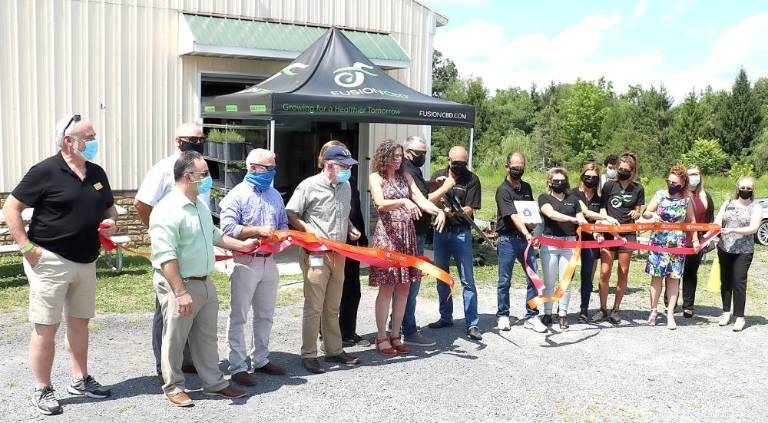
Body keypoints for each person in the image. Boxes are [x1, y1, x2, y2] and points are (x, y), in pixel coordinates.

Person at [3, 114, 117, 415]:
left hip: (86, 259)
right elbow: (11, 207)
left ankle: (80, 380)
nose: (94, 142)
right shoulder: (44, 171)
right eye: (89, 137)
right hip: (49, 260)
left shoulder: (96, 172)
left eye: (93, 137)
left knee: (79, 323)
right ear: (68, 141)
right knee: (46, 327)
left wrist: (111, 223)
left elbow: (109, 207)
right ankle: (42, 388)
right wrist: (26, 247)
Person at [149, 151, 254, 406]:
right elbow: (166, 256)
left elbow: (215, 234)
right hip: (181, 284)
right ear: (188, 176)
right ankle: (173, 386)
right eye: (204, 174)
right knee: (174, 338)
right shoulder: (167, 210)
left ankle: (214, 384)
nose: (209, 178)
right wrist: (180, 291)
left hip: (204, 282)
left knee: (206, 337)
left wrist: (242, 245)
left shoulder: (198, 205)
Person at [134, 123, 208, 378]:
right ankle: (163, 366)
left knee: (192, 309)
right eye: (192, 139)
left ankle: (186, 360)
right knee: (167, 309)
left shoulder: (200, 169)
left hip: (195, 252)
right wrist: (156, 229)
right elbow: (142, 203)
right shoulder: (164, 168)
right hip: (173, 252)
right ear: (178, 141)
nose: (198, 143)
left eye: (201, 139)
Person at [286, 145, 362, 374]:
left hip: (339, 255)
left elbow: (343, 213)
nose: (348, 170)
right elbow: (291, 213)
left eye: (349, 166)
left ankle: (334, 349)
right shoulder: (309, 186)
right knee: (314, 306)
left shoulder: (346, 186)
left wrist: (350, 228)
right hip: (316, 255)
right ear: (330, 165)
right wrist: (308, 228)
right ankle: (309, 354)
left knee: (332, 305)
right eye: (344, 166)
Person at [368, 140, 446, 355]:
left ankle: (396, 335)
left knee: (404, 288)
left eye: (400, 156)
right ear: (383, 157)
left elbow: (421, 200)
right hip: (388, 238)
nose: (397, 159)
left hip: (407, 237)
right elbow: (380, 202)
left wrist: (438, 212)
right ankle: (381, 336)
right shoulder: (376, 177)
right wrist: (403, 201)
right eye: (393, 156)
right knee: (387, 288)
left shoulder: (406, 176)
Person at [219, 149, 289, 387]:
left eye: (274, 167)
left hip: (269, 261)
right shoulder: (236, 195)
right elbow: (227, 228)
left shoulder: (275, 195)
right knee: (239, 315)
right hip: (244, 261)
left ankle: (260, 359)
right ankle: (237, 366)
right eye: (268, 168)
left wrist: (280, 237)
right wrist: (257, 230)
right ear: (253, 168)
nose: (272, 172)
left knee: (265, 314)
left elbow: (282, 224)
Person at [400, 135, 455, 346]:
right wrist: (445, 187)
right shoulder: (407, 169)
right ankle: (409, 329)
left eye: (424, 153)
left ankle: (398, 325)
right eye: (418, 153)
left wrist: (432, 183)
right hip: (413, 234)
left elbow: (421, 189)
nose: (422, 156)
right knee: (411, 284)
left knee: (407, 283)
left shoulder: (414, 170)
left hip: (417, 232)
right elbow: (423, 200)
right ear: (406, 152)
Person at [317, 141, 371, 348]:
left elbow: (355, 213)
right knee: (331, 292)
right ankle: (326, 334)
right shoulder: (320, 184)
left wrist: (362, 237)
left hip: (352, 243)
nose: (347, 169)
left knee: (352, 289)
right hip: (332, 245)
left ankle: (348, 332)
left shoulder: (348, 183)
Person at [427, 146, 483, 340]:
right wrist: (441, 203)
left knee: (467, 280)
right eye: (456, 163)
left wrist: (454, 213)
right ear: (449, 160)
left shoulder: (472, 179)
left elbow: (469, 208)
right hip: (441, 233)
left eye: (463, 163)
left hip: (462, 233)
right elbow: (431, 201)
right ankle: (445, 316)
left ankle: (472, 323)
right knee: (442, 277)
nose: (459, 166)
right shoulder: (438, 175)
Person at [495, 152, 546, 333]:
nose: (518, 169)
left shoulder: (526, 188)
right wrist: (526, 233)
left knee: (534, 278)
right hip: (508, 239)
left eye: (521, 166)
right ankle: (503, 315)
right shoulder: (503, 190)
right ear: (507, 166)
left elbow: (530, 212)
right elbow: (514, 215)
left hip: (526, 239)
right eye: (515, 166)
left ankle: (532, 315)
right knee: (504, 280)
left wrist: (534, 229)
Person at [643, 166, 699, 330]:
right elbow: (646, 212)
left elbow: (692, 222)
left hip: (677, 243)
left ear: (682, 183)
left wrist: (695, 239)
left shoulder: (687, 199)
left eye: (675, 182)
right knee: (656, 278)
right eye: (669, 181)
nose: (671, 184)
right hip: (658, 241)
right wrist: (653, 216)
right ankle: (653, 311)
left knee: (674, 279)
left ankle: (670, 314)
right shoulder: (660, 195)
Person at [594, 153, 645, 324]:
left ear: (632, 171)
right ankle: (602, 308)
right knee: (604, 271)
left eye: (626, 169)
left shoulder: (638, 189)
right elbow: (602, 210)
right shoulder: (608, 186)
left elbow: (639, 211)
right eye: (620, 168)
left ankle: (616, 309)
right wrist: (602, 228)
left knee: (622, 273)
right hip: (608, 234)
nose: (622, 171)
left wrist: (637, 213)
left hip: (628, 235)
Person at [538, 167, 587, 330]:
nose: (559, 183)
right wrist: (572, 219)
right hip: (550, 243)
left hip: (569, 243)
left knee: (565, 281)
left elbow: (582, 219)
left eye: (562, 180)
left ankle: (563, 314)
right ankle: (547, 312)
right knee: (549, 281)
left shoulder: (573, 200)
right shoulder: (543, 198)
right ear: (550, 182)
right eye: (555, 180)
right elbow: (551, 214)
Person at [714, 176, 762, 332]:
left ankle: (740, 316)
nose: (745, 191)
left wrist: (733, 230)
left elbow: (754, 228)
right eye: (743, 188)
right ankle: (726, 312)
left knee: (738, 281)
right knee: (725, 280)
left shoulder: (756, 207)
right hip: (725, 248)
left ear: (753, 190)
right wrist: (714, 229)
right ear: (737, 188)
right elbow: (718, 220)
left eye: (749, 188)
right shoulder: (728, 203)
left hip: (744, 250)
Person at [572, 162, 608, 323]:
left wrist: (599, 230)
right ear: (582, 176)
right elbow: (585, 213)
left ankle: (584, 310)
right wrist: (605, 219)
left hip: (591, 242)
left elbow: (600, 216)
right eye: (588, 176)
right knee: (568, 274)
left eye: (594, 177)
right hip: (572, 239)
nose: (590, 179)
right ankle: (560, 309)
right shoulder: (573, 194)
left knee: (587, 275)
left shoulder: (600, 199)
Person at [680, 165, 714, 318]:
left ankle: (688, 306)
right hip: (679, 240)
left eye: (696, 174)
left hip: (697, 243)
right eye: (691, 174)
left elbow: (710, 221)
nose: (694, 177)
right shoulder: (680, 195)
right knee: (673, 274)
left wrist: (705, 239)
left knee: (690, 274)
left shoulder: (706, 196)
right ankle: (669, 303)